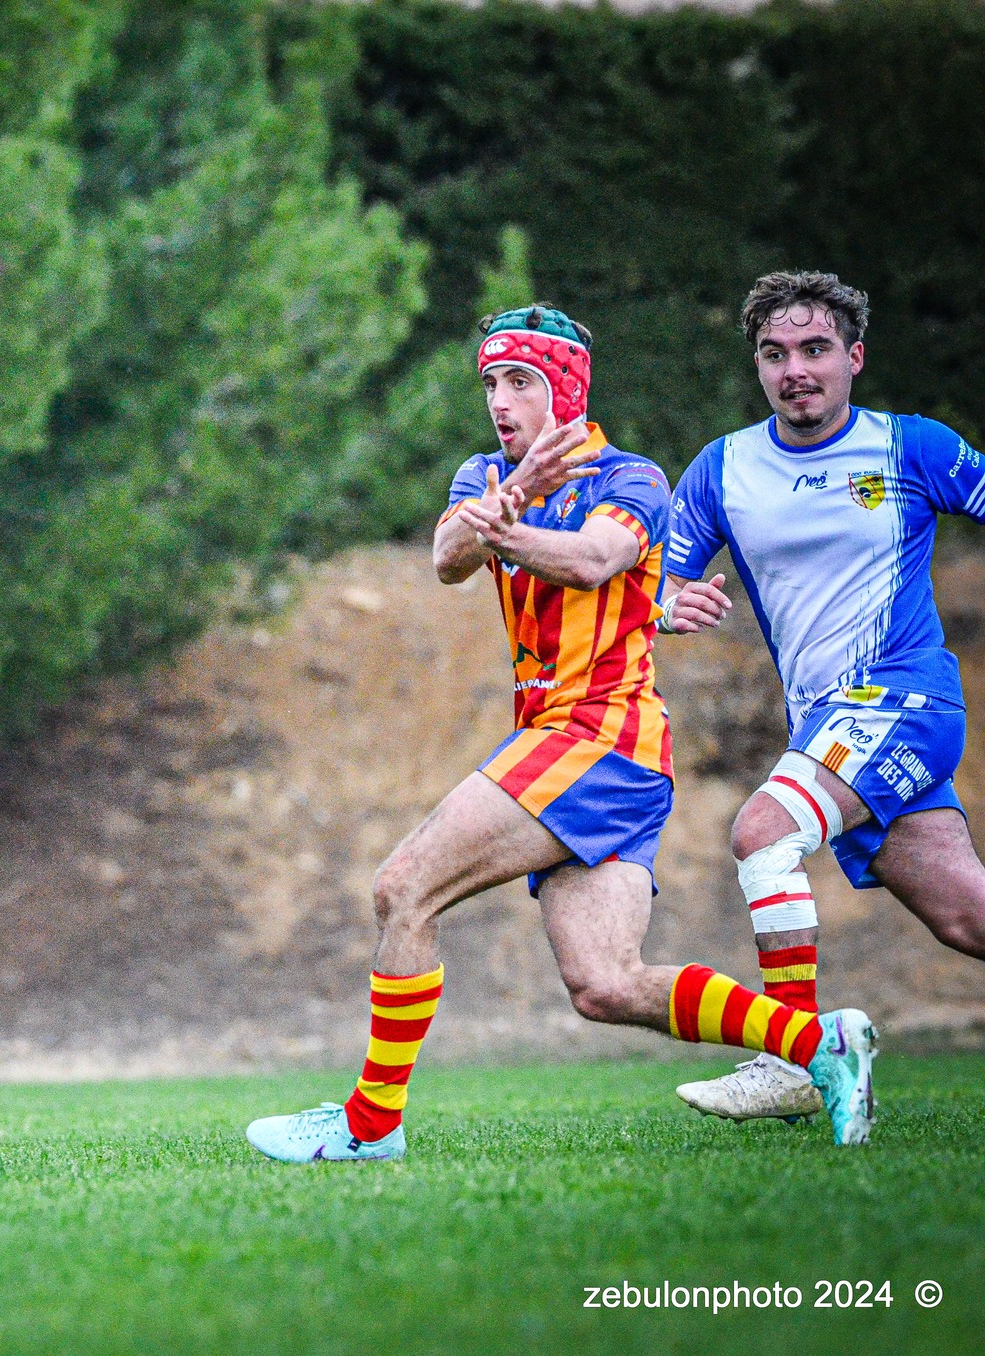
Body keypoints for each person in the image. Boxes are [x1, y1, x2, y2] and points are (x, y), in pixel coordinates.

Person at [243, 304, 877, 1163]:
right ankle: (821, 1044)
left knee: (403, 889)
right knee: (605, 985)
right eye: (490, 384)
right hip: (591, 753)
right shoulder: (485, 476)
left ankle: (369, 1125)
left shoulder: (632, 478)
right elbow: (447, 560)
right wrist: (508, 502)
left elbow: (592, 560)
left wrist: (508, 523)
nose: (499, 402)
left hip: (598, 738)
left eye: (520, 382)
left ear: (566, 392)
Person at [660, 272, 985, 1121]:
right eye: (775, 354)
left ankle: (797, 1060)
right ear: (758, 366)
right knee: (966, 919)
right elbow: (662, 576)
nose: (796, 369)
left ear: (854, 358)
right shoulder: (723, 468)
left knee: (762, 832)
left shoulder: (911, 446)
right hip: (828, 727)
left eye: (815, 349)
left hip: (904, 700)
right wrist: (669, 604)